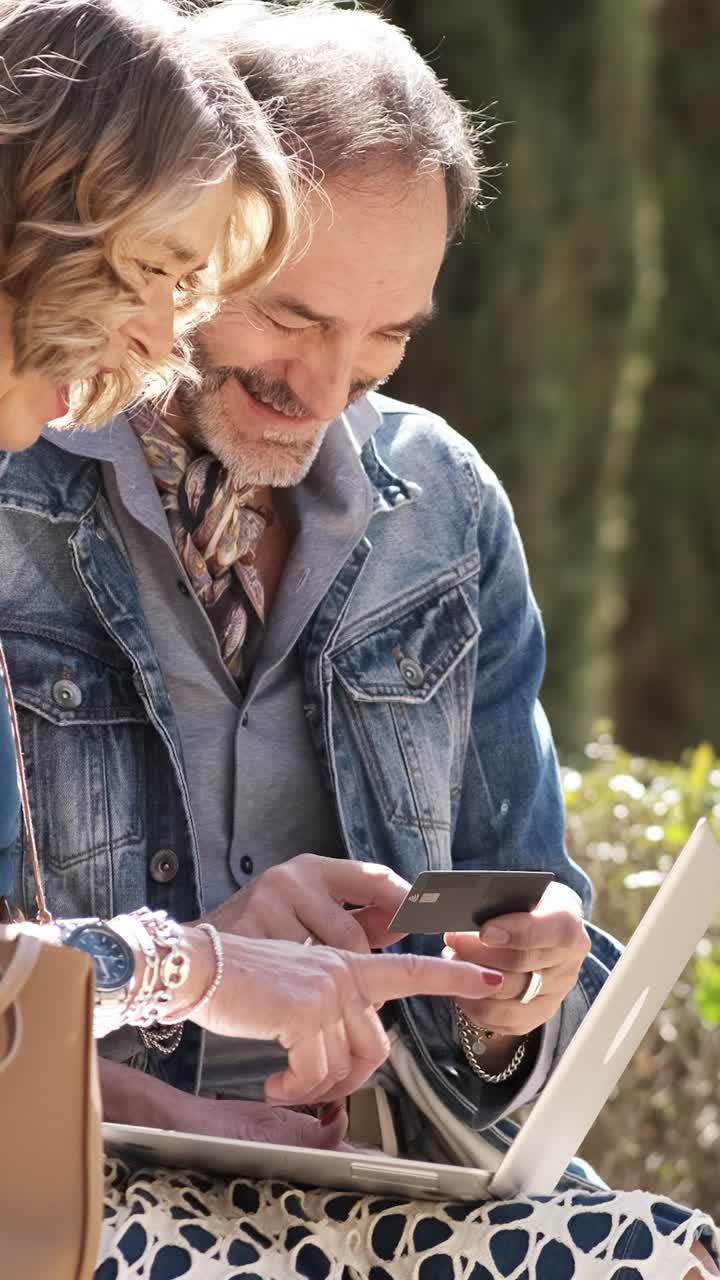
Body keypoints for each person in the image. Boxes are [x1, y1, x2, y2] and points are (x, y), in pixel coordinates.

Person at [0, 2, 718, 1276]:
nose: (327, 392)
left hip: (373, 1178)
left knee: (661, 1256)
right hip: (86, 1167)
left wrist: (519, 984)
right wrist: (204, 966)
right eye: (291, 315)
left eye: (387, 340)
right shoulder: (18, 470)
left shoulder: (444, 512)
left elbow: (521, 911)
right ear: (198, 232)